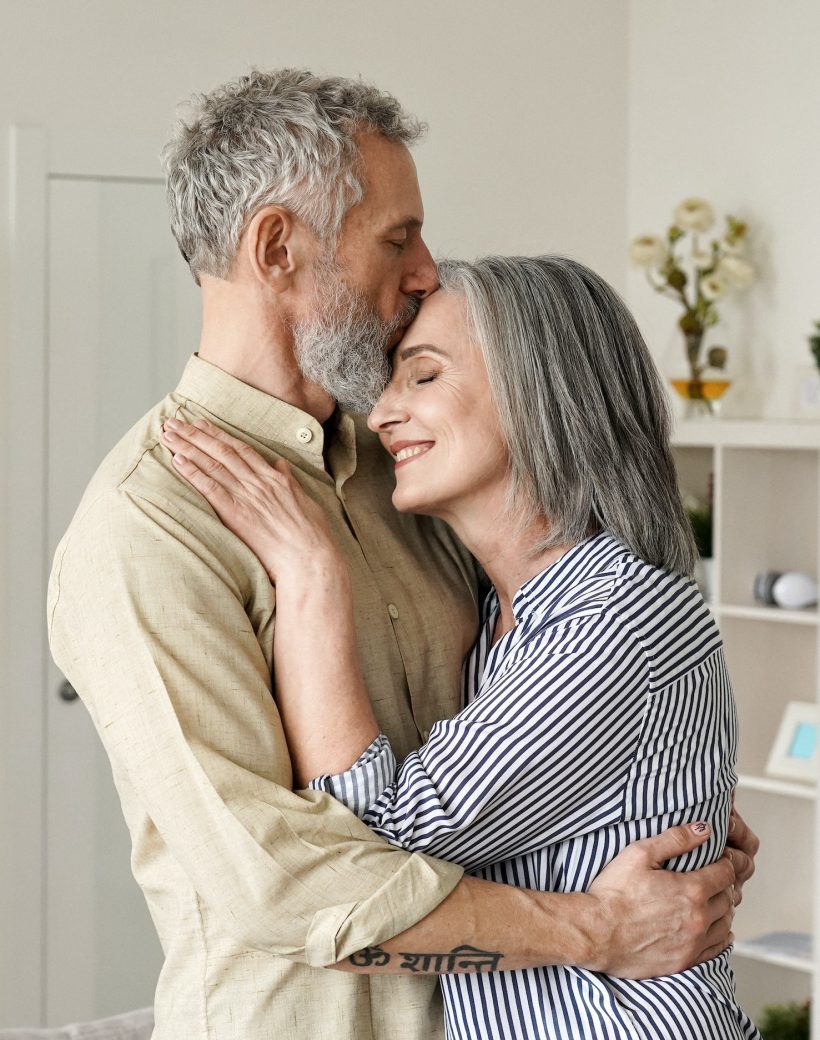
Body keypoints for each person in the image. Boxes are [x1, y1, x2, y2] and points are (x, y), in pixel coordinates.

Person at [47, 70, 756, 1040]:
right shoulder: (145, 529)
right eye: (397, 236)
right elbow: (287, 885)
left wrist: (668, 801)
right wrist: (596, 925)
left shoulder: (412, 469)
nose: (425, 267)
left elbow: (548, 704)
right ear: (278, 247)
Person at [163, 254, 761, 1039]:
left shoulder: (612, 616)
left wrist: (311, 576)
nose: (379, 416)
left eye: (422, 376)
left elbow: (377, 849)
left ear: (539, 394)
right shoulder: (505, 617)